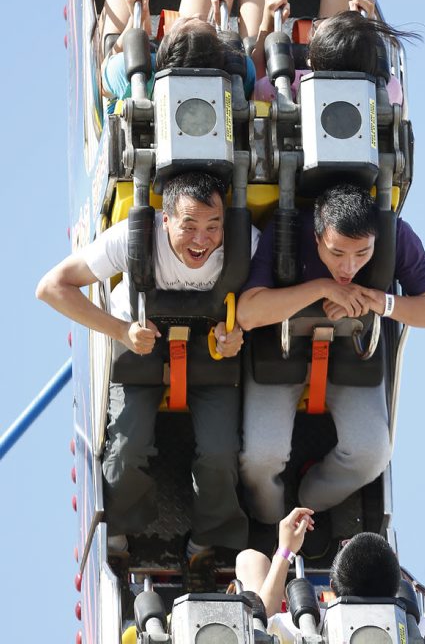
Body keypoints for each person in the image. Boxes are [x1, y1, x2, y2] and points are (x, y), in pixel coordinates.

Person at [37, 171, 260, 588]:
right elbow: (52, 287)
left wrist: (240, 332)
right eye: (189, 226)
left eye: (213, 227)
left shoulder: (244, 242)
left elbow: (273, 297)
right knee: (124, 452)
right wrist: (119, 331)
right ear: (165, 220)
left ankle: (206, 545)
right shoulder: (134, 237)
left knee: (219, 454)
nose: (202, 240)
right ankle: (123, 534)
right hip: (140, 343)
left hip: (209, 350)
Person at [236, 183, 425, 556]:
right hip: (281, 350)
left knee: (372, 453)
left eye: (362, 253)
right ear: (317, 236)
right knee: (261, 457)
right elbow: (249, 313)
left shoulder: (397, 236)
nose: (348, 267)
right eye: (336, 254)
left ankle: (308, 501)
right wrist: (322, 289)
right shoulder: (288, 230)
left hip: (353, 352)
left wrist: (379, 302)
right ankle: (268, 518)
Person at [238, 0, 409, 104]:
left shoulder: (288, 87)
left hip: (280, 102)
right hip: (358, 89)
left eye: (316, 27)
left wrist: (267, 23)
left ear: (309, 60)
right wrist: (365, 26)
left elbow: (255, 84)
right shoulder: (387, 92)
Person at [235, 506, 402, 642]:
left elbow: (260, 627)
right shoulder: (409, 625)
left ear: (332, 587)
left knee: (250, 560)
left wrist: (285, 551)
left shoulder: (318, 622)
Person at [99, 0, 255, 112]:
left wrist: (134, 21)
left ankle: (142, 34)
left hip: (135, 100)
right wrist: (222, 27)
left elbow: (102, 83)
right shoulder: (241, 74)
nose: (194, 15)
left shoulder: (127, 73)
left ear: (163, 48)